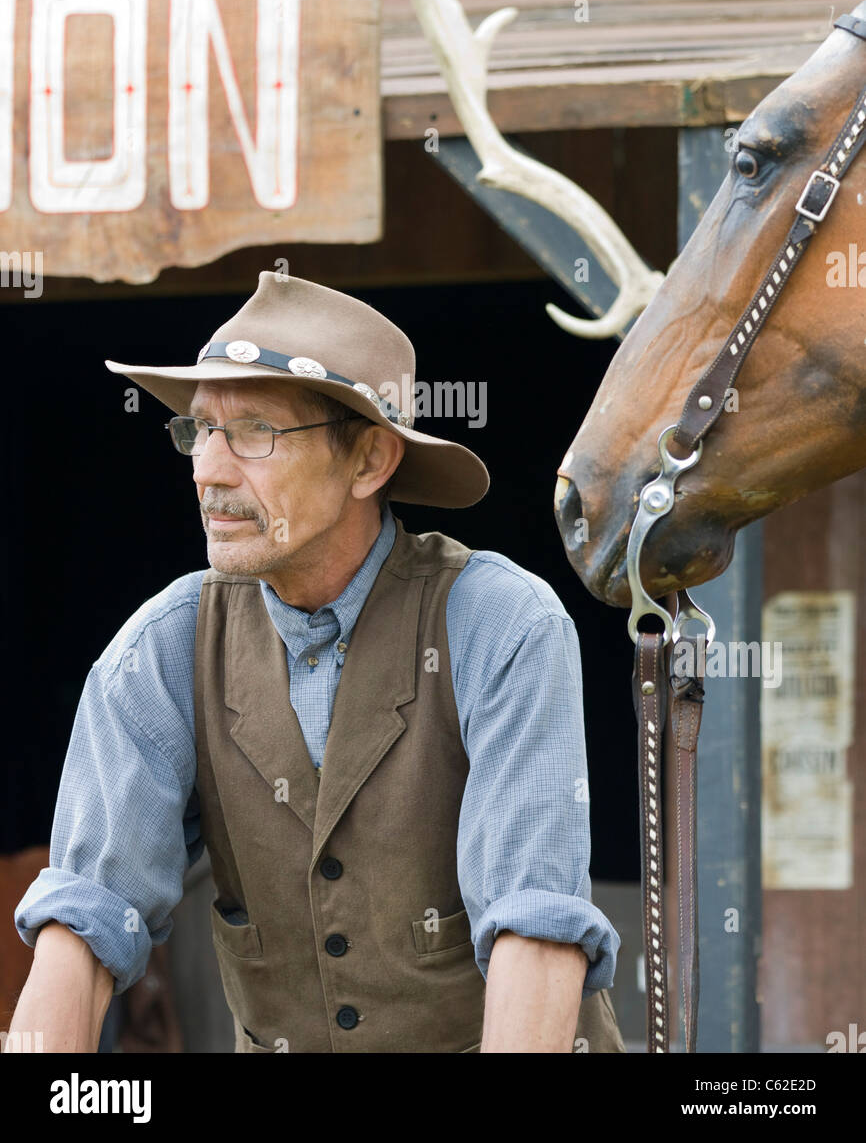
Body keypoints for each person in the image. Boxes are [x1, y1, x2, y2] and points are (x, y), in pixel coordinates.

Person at [10, 271, 623, 1054]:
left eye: (256, 431)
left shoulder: (500, 623)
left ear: (370, 461)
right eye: (200, 430)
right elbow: (83, 924)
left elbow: (535, 932)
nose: (208, 469)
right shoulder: (163, 649)